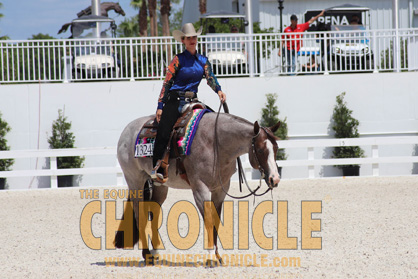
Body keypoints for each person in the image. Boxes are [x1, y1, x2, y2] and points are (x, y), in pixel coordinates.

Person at [151, 23, 227, 182]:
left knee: (214, 121)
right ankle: (157, 166)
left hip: (193, 100)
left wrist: (219, 90)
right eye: (189, 38)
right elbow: (167, 83)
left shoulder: (203, 60)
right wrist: (160, 106)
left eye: (194, 37)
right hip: (175, 99)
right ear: (183, 40)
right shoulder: (178, 59)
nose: (192, 40)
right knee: (164, 130)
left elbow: (210, 78)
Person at [280, 10, 325, 75]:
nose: (296, 22)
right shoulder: (287, 29)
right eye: (295, 21)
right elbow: (283, 40)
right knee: (289, 63)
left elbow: (310, 21)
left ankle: (290, 75)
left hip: (295, 49)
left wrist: (319, 15)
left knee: (293, 62)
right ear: (291, 21)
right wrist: (280, 50)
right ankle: (290, 74)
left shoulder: (300, 27)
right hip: (287, 49)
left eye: (297, 20)